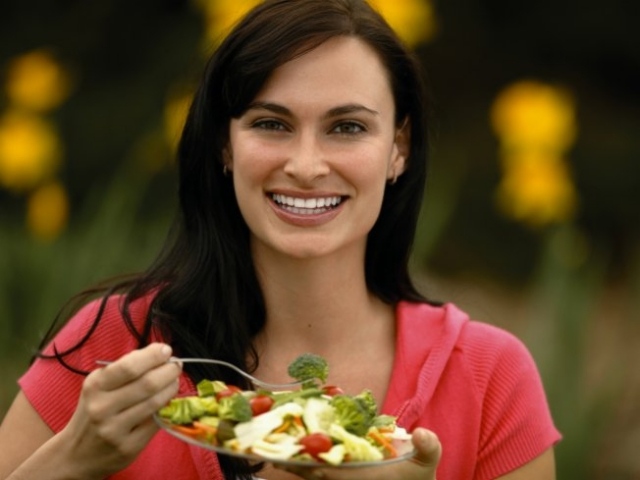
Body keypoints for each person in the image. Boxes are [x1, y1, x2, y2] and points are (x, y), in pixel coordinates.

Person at [0, 0, 561, 479]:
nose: (306, 164)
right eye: (271, 124)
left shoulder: (489, 377)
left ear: (400, 148)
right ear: (225, 144)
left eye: (347, 127)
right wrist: (70, 459)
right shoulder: (115, 347)